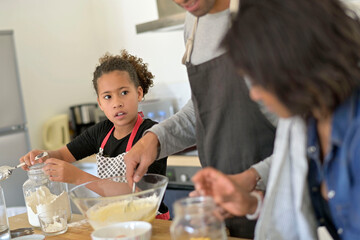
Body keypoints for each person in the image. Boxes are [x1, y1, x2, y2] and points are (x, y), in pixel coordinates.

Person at [193, 0, 360, 239]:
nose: (254, 94)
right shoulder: (307, 124)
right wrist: (252, 204)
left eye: (259, 80)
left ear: (293, 66)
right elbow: (312, 215)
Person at [124, 0, 276, 237]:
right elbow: (204, 107)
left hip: (282, 199)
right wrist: (154, 138)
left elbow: (307, 136)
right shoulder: (193, 23)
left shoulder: (270, 16)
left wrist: (252, 178)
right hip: (229, 207)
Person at [20, 50, 169, 219]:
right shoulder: (101, 132)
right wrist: (43, 156)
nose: (117, 103)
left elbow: (140, 195)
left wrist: (78, 177)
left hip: (152, 222)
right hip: (116, 219)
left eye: (124, 93)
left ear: (139, 93)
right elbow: (62, 155)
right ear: (100, 103)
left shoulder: (151, 135)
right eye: (108, 97)